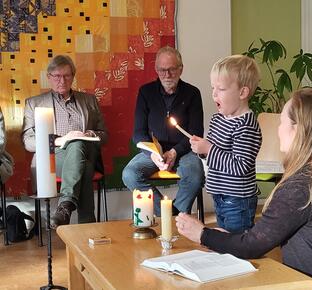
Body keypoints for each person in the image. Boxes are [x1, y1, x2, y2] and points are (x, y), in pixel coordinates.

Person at [176, 88, 312, 290]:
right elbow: (266, 234)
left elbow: (252, 246)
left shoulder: (302, 184)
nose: (278, 129)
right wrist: (223, 237)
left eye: (281, 121)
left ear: (298, 130)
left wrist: (202, 233)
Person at [22, 55, 108, 228]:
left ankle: (65, 206)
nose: (62, 80)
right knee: (84, 164)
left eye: (67, 76)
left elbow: (104, 135)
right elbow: (28, 141)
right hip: (53, 158)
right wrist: (61, 140)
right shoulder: (34, 103)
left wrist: (88, 134)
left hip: (85, 151)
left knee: (78, 147)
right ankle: (86, 227)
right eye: (57, 76)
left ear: (73, 77)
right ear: (49, 77)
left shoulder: (89, 101)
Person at [122, 46, 204, 216]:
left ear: (181, 69)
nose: (167, 75)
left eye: (172, 69)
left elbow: (196, 133)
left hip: (184, 151)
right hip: (153, 152)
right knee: (130, 174)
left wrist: (174, 152)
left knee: (195, 177)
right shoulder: (146, 92)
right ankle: (169, 214)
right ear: (156, 69)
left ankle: (177, 215)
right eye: (162, 70)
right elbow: (138, 133)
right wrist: (153, 154)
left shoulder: (193, 93)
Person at [189, 55, 261, 233]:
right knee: (223, 239)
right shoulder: (218, 119)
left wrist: (209, 149)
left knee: (236, 243)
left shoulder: (246, 125)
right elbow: (211, 154)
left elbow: (240, 166)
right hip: (219, 195)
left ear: (242, 92)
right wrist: (201, 149)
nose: (214, 94)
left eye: (220, 89)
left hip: (238, 200)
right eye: (213, 88)